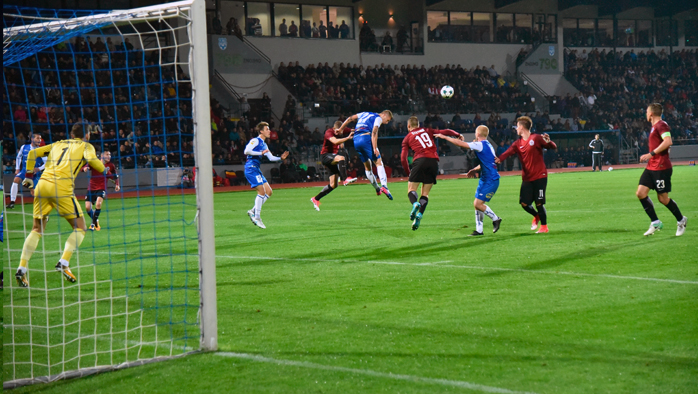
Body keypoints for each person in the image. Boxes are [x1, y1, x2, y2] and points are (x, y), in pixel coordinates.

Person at [14, 123, 106, 287]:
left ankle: (22, 268)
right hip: (61, 187)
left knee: (36, 229)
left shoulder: (58, 144)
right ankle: (64, 262)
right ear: (87, 135)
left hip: (42, 185)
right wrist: (104, 168)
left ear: (71, 133)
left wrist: (28, 175)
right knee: (80, 227)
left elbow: (34, 152)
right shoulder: (86, 145)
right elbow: (93, 161)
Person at [436, 125, 503, 236]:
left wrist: (445, 137)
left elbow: (461, 144)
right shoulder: (489, 145)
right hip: (486, 178)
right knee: (476, 204)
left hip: (491, 179)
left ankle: (496, 219)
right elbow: (488, 162)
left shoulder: (480, 144)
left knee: (478, 203)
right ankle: (479, 230)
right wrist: (474, 169)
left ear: (477, 134)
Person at [495, 116, 557, 233]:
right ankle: (536, 216)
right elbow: (507, 153)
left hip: (540, 176)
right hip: (527, 178)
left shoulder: (537, 138)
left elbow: (552, 147)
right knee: (524, 203)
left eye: (517, 126)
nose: (516, 129)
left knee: (539, 202)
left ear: (522, 127)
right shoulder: (517, 143)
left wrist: (549, 141)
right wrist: (498, 159)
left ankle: (544, 227)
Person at [400, 116, 462, 230]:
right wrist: (457, 134)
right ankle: (419, 215)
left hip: (420, 160)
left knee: (412, 190)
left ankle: (415, 204)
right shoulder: (428, 130)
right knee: (425, 194)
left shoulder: (407, 138)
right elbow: (445, 131)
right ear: (418, 125)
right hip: (433, 161)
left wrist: (408, 172)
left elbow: (403, 159)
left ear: (408, 126)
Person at [637, 103, 687, 236]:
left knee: (663, 199)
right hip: (651, 167)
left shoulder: (661, 125)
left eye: (647, 112)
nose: (646, 114)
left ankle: (681, 220)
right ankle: (655, 222)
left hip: (661, 167)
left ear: (651, 113)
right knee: (640, 193)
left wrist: (650, 154)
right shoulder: (654, 127)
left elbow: (668, 141)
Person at [338, 110, 394, 199]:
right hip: (365, 138)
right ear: (384, 115)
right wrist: (375, 148)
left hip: (356, 140)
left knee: (367, 166)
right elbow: (374, 131)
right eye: (387, 120)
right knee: (379, 163)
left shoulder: (364, 113)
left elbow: (350, 119)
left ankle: (377, 189)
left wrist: (341, 129)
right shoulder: (378, 118)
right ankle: (384, 186)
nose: (386, 123)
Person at [244, 122, 289, 229]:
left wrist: (280, 158)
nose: (269, 131)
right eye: (267, 129)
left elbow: (271, 158)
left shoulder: (264, 144)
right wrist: (260, 153)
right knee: (261, 191)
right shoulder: (255, 140)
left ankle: (253, 210)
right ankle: (257, 217)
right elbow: (246, 151)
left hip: (256, 169)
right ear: (261, 131)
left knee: (269, 192)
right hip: (251, 169)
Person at [310, 121, 355, 211]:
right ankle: (345, 179)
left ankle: (316, 199)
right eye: (339, 131)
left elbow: (354, 130)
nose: (340, 132)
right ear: (335, 129)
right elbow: (335, 141)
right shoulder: (329, 132)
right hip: (325, 156)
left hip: (332, 157)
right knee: (341, 158)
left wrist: (363, 130)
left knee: (334, 184)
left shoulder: (342, 129)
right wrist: (347, 138)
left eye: (342, 131)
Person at [82, 151, 120, 231]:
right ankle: (96, 221)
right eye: (107, 154)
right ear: (102, 156)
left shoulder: (111, 165)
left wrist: (117, 184)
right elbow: (83, 168)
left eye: (110, 154)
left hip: (102, 187)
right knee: (87, 207)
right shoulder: (95, 162)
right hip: (91, 187)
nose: (109, 156)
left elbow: (115, 176)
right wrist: (85, 168)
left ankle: (92, 225)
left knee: (98, 204)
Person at [7, 133, 44, 209]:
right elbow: (18, 157)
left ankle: (42, 206)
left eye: (40, 138)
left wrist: (38, 169)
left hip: (34, 174)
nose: (39, 140)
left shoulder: (41, 150)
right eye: (37, 138)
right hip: (24, 171)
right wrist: (17, 168)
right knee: (16, 179)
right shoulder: (24, 147)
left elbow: (47, 163)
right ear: (32, 139)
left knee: (34, 192)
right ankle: (12, 202)